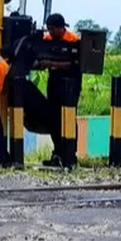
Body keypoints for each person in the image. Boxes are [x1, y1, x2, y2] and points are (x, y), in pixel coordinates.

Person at [40, 13, 81, 166]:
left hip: (71, 83)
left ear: (60, 28)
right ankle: (57, 153)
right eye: (48, 29)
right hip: (54, 82)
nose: (49, 32)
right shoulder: (47, 40)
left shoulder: (74, 40)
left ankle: (71, 155)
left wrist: (50, 63)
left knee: (69, 117)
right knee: (53, 118)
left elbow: (73, 64)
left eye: (52, 29)